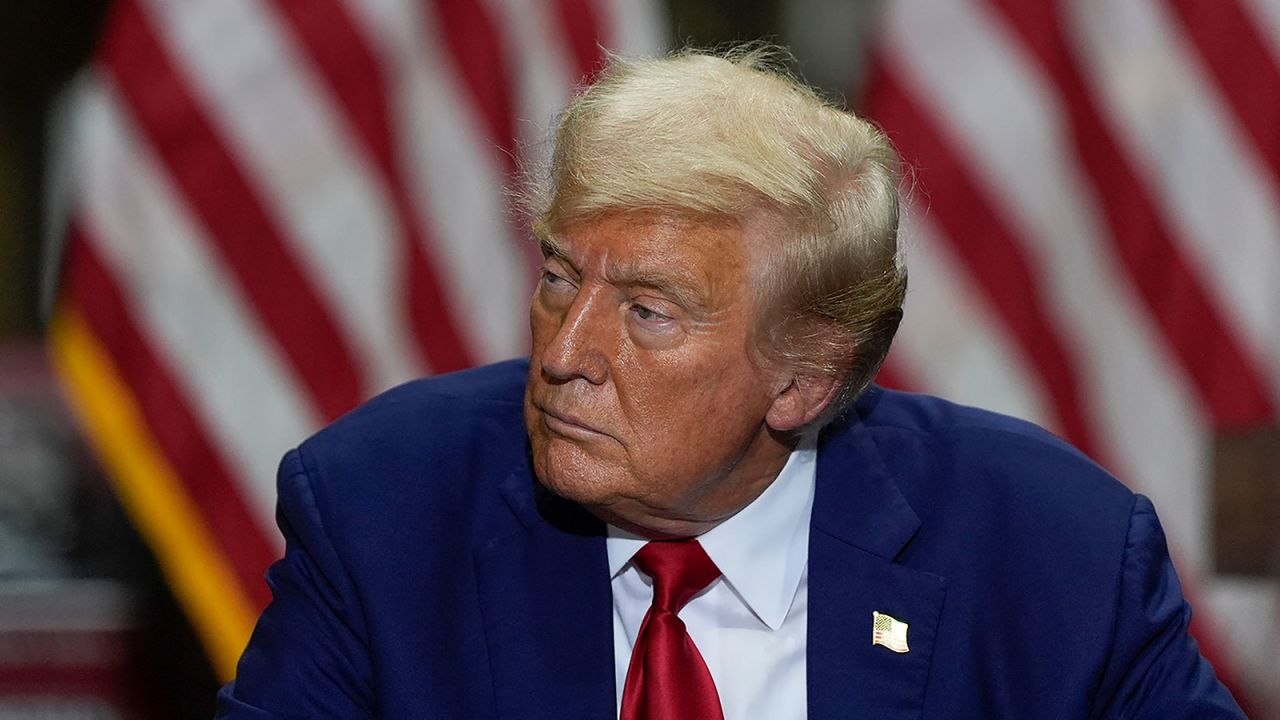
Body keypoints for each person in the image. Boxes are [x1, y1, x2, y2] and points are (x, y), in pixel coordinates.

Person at [215, 46, 1244, 719]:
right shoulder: (385, 508)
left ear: (801, 380)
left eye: (647, 313)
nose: (564, 351)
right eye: (557, 277)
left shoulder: (1047, 555)